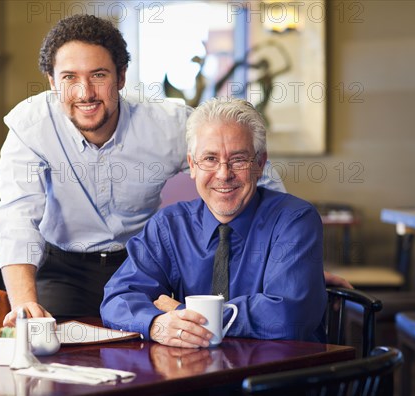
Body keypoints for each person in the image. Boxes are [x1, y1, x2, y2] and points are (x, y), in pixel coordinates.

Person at [0, 14, 348, 325]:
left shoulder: (165, 123)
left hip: (142, 269)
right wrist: (23, 302)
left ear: (121, 77)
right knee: (59, 365)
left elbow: (252, 170)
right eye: (69, 77)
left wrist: (291, 262)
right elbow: (17, 217)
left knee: (157, 360)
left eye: (98, 75)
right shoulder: (30, 126)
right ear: (52, 82)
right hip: (64, 269)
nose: (85, 92)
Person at [101, 97, 327, 347]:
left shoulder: (294, 220)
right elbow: (117, 299)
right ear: (192, 165)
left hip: (275, 379)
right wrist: (155, 323)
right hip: (195, 377)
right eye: (210, 159)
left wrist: (183, 311)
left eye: (238, 159)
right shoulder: (170, 226)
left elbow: (288, 315)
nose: (223, 174)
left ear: (260, 164)